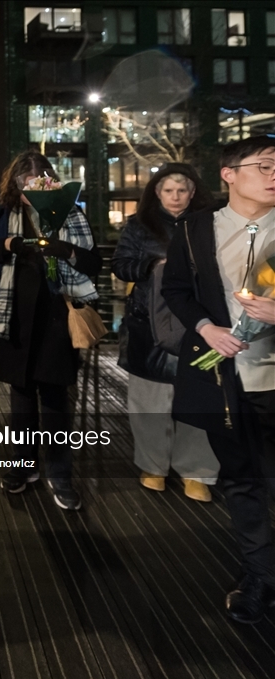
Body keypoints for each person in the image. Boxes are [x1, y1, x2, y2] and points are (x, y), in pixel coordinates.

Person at [162, 136, 275, 625]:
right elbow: (177, 289)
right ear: (229, 174)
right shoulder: (194, 229)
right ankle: (260, 576)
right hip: (223, 381)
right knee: (241, 481)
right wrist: (207, 328)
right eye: (266, 166)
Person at [0, 151, 102, 511]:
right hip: (13, 316)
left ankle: (60, 474)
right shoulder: (1, 212)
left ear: (51, 182)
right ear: (15, 184)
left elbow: (94, 263)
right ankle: (23, 466)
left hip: (57, 318)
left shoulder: (69, 214)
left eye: (40, 183)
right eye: (26, 184)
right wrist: (8, 245)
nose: (33, 190)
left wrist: (66, 251)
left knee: (57, 400)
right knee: (21, 399)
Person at [112, 164, 219, 501]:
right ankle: (152, 465)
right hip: (148, 321)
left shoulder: (211, 222)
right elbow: (120, 264)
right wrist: (151, 266)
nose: (175, 197)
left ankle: (197, 469)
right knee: (149, 400)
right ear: (156, 193)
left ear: (193, 192)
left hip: (201, 322)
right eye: (168, 191)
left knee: (200, 398)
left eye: (182, 190)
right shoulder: (139, 225)